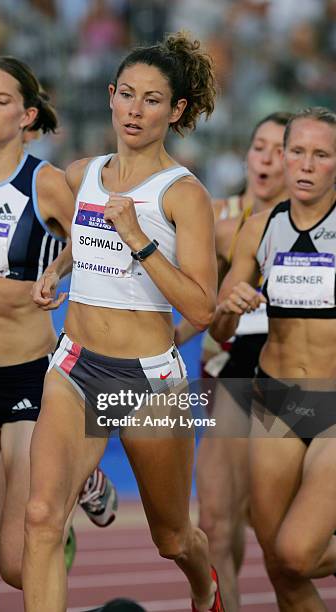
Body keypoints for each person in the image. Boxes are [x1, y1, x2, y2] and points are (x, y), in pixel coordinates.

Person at [23, 31, 224, 612]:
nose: (136, 110)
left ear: (177, 110)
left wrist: (138, 238)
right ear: (111, 96)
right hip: (75, 367)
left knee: (171, 537)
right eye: (127, 95)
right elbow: (83, 235)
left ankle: (203, 585)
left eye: (153, 99)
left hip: (148, 381)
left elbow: (202, 307)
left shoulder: (183, 194)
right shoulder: (83, 171)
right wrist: (59, 268)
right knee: (40, 517)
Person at [0, 56, 117, 612]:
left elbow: (98, 245)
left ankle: (74, 492)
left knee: (15, 562)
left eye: (1, 100)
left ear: (27, 116)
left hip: (30, 379)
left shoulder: (46, 183)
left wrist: (57, 271)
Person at [210, 106, 336, 610]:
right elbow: (219, 326)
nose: (305, 165)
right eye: (297, 152)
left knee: (296, 552)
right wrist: (230, 305)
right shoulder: (257, 227)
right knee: (278, 561)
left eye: (321, 155)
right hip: (275, 402)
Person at [175, 112, 292, 610]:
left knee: (281, 539)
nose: (266, 158)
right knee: (218, 524)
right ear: (245, 154)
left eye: (279, 149)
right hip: (229, 373)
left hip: (294, 379)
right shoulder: (219, 220)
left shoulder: (316, 227)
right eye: (258, 146)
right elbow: (202, 308)